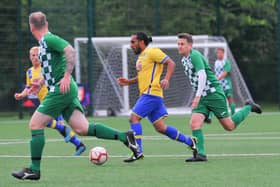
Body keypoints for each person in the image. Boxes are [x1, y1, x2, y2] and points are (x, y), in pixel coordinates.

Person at [12, 11, 140, 181]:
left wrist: (65, 76)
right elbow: (55, 65)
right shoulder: (44, 43)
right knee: (82, 129)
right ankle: (126, 136)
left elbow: (70, 51)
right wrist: (41, 82)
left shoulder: (49, 39)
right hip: (64, 89)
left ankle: (34, 170)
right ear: (46, 23)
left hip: (60, 90)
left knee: (35, 124)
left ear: (31, 27)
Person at [177, 33, 262, 162]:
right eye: (178, 44)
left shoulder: (195, 56)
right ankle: (201, 154)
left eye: (182, 44)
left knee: (229, 126)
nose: (179, 46)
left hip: (214, 94)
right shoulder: (184, 59)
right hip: (203, 97)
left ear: (190, 45)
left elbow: (203, 76)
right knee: (194, 124)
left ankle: (248, 107)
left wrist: (197, 97)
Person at [117, 32, 197, 162]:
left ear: (141, 42)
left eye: (133, 42)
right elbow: (142, 77)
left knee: (133, 118)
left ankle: (138, 151)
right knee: (161, 128)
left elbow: (171, 63)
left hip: (151, 93)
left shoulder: (153, 51)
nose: (131, 45)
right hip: (149, 95)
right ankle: (190, 141)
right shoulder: (141, 58)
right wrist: (128, 82)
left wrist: (166, 79)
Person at [14, 46, 86, 156]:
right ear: (29, 57)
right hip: (45, 103)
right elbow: (28, 87)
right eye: (32, 55)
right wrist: (21, 95)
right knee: (59, 128)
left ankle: (73, 138)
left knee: (46, 122)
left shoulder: (46, 68)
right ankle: (79, 145)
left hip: (55, 100)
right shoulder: (29, 72)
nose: (35, 57)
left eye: (37, 55)